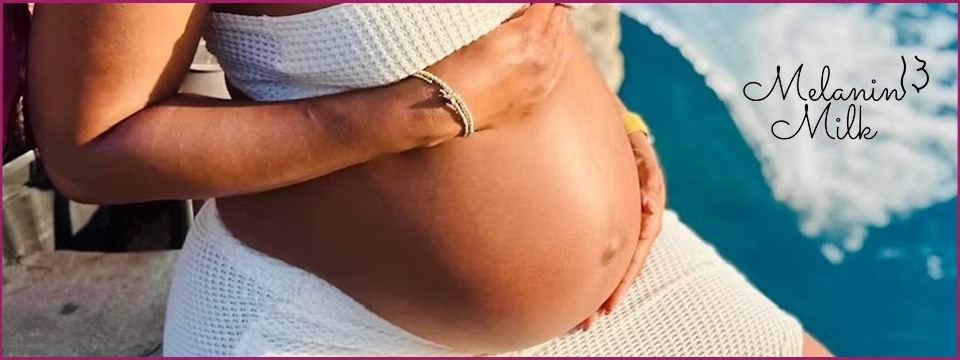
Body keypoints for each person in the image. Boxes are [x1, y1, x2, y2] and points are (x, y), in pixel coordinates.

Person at [27, 3, 832, 356]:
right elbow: (90, 149)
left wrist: (615, 123)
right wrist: (419, 113)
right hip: (330, 327)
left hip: (621, 298)